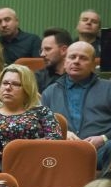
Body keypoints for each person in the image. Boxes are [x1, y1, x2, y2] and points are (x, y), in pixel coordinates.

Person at [41, 42, 111, 173]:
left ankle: (101, 185)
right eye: (72, 57)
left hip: (102, 151)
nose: (76, 61)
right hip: (62, 151)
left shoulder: (108, 88)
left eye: (83, 58)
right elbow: (41, 126)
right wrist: (62, 133)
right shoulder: (49, 93)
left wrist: (103, 138)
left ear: (93, 64)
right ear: (65, 62)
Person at [0, 64, 62, 165]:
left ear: (27, 89)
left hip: (35, 165)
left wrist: (17, 149)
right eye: (5, 83)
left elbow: (55, 140)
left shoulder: (42, 112)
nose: (8, 88)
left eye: (16, 84)